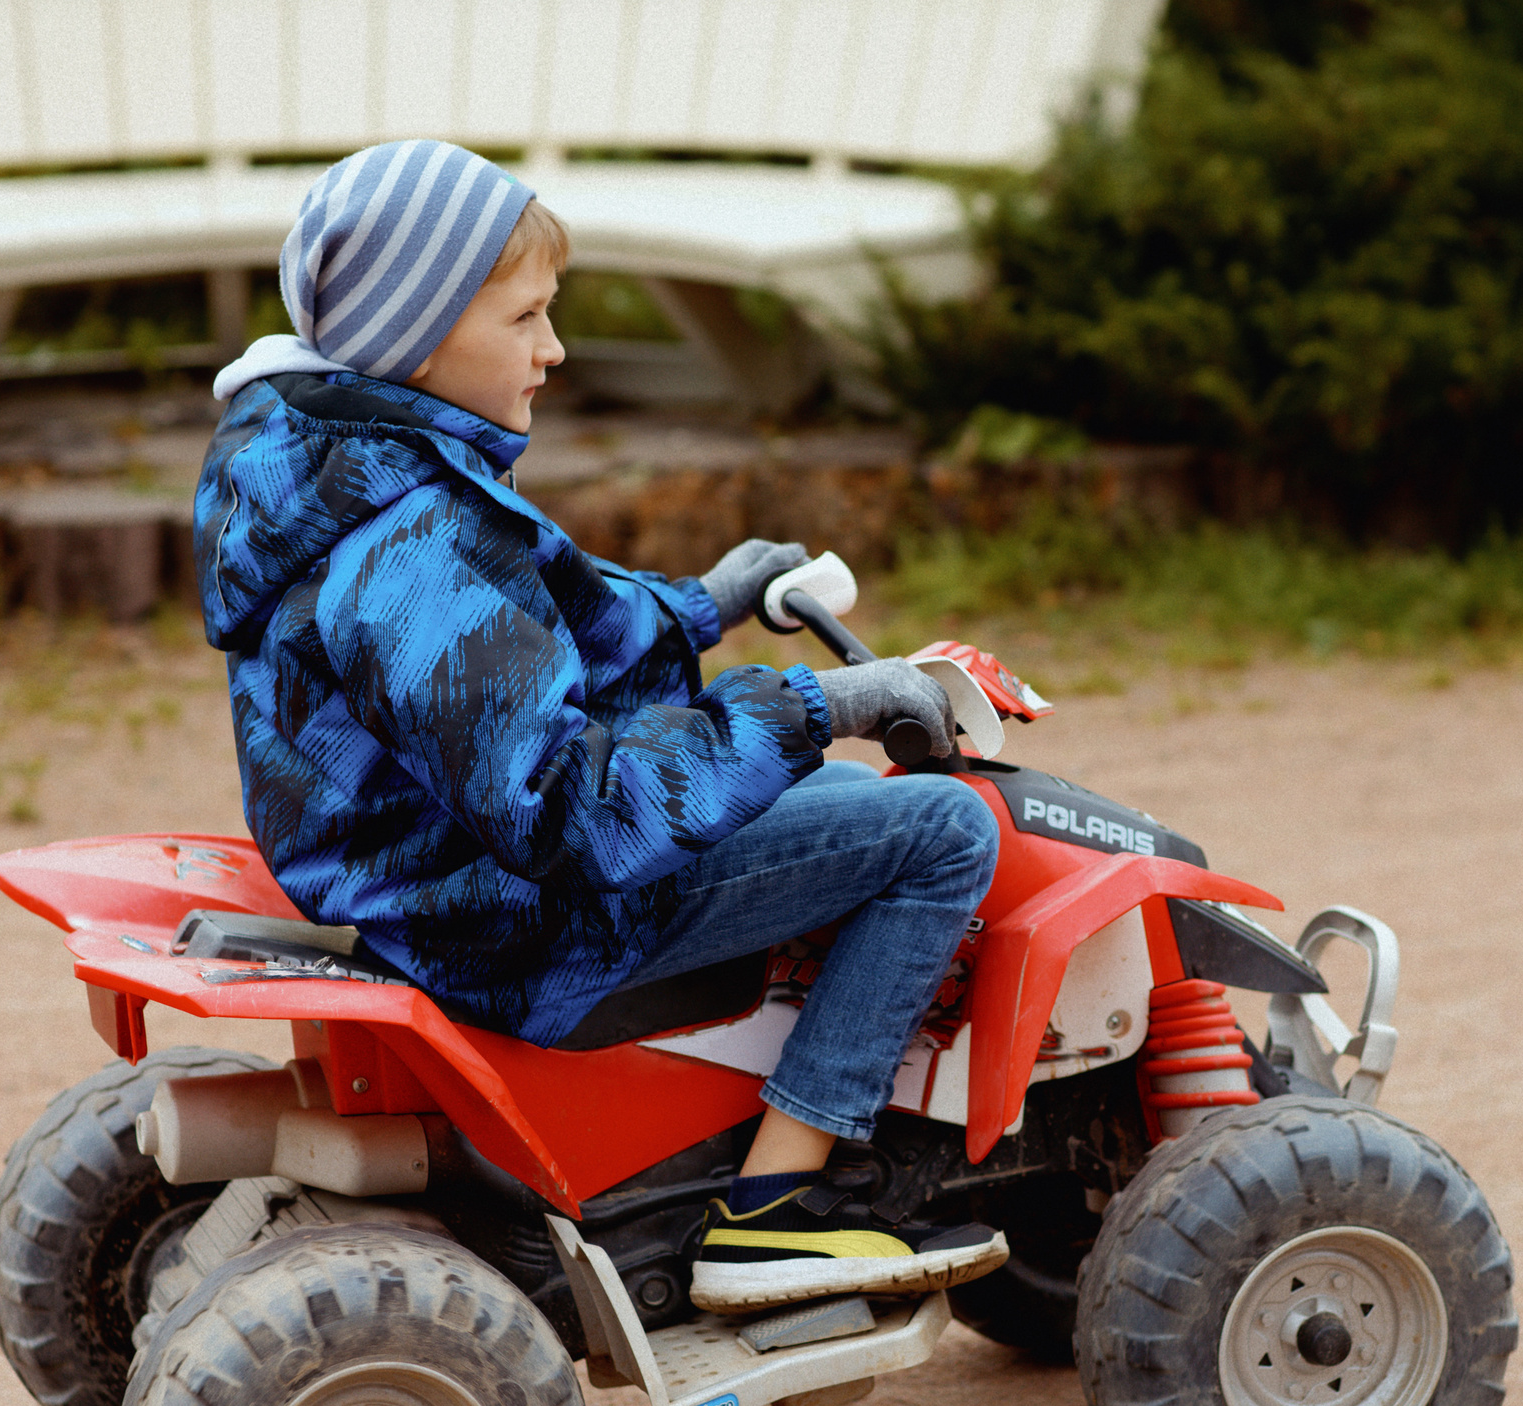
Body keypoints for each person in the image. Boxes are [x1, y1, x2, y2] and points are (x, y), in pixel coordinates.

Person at [197, 141, 1009, 1313]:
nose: (553, 348)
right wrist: (815, 708)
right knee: (937, 830)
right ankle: (778, 1211)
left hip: (424, 880)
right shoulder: (413, 543)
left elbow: (532, 639)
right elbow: (572, 812)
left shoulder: (331, 470)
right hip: (508, 922)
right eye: (526, 316)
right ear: (416, 335)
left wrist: (705, 605)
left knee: (838, 809)